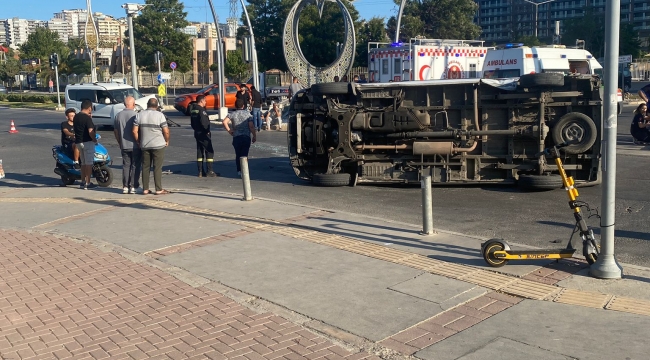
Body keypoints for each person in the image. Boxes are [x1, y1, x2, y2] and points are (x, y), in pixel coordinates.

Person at [132, 98, 171, 195]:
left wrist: (138, 141)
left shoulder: (140, 115)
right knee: (157, 167)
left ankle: (145, 189)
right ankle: (158, 189)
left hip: (145, 144)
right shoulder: (160, 115)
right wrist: (167, 140)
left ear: (147, 105)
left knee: (145, 167)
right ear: (157, 106)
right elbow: (166, 131)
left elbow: (134, 131)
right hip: (158, 145)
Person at [113, 96, 142, 194]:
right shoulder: (136, 115)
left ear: (125, 104)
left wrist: (119, 142)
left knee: (126, 165)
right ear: (133, 104)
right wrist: (139, 142)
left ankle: (125, 186)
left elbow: (116, 131)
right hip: (134, 145)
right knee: (135, 165)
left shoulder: (118, 115)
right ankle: (133, 186)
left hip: (124, 145)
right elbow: (137, 131)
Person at [222, 98, 256, 177]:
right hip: (246, 136)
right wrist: (254, 135)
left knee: (238, 154)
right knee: (244, 154)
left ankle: (239, 170)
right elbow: (251, 126)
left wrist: (230, 131)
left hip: (236, 137)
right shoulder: (247, 114)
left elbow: (224, 122)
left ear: (235, 105)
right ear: (243, 106)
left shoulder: (232, 114)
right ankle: (244, 171)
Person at [190, 95, 218, 177]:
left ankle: (200, 171)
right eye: (205, 101)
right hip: (203, 133)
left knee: (199, 151)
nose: (205, 102)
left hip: (197, 132)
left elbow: (192, 123)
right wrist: (207, 131)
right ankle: (210, 171)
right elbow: (204, 122)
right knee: (209, 151)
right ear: (201, 101)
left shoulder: (193, 110)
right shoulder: (202, 110)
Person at [73, 99, 97, 190]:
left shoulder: (76, 117)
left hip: (79, 142)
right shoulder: (87, 118)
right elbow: (90, 131)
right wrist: (94, 139)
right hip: (87, 142)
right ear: (89, 108)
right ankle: (88, 182)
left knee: (83, 163)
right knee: (89, 163)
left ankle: (82, 181)